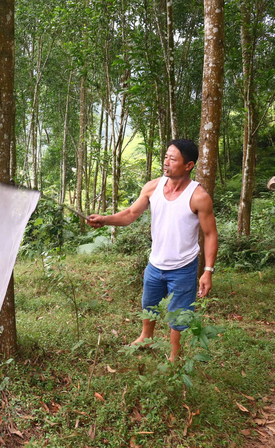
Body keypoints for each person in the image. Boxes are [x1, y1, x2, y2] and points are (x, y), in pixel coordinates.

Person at [87, 139, 218, 362]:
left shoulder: (198, 196)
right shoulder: (152, 187)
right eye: (166, 156)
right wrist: (105, 220)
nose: (166, 162)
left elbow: (210, 234)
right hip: (155, 264)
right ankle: (145, 338)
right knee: (149, 304)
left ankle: (175, 354)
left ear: (188, 165)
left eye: (173, 159)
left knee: (179, 314)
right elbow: (130, 214)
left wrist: (207, 270)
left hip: (184, 267)